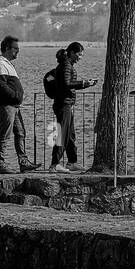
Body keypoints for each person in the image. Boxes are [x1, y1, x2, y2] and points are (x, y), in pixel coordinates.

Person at [0, 35, 35, 174]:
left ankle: (23, 162)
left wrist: (17, 98)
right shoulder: (0, 64)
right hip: (6, 105)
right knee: (5, 135)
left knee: (20, 133)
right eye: (15, 49)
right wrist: (15, 96)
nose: (17, 51)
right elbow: (0, 86)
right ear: (7, 48)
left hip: (13, 106)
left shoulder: (7, 63)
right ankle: (0, 164)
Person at [49, 42, 97, 172]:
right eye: (79, 54)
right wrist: (84, 83)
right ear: (72, 53)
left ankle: (72, 161)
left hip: (66, 103)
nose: (80, 57)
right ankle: (54, 164)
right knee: (62, 134)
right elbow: (67, 84)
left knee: (70, 135)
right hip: (63, 104)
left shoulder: (67, 65)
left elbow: (68, 83)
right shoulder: (66, 66)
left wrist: (85, 84)